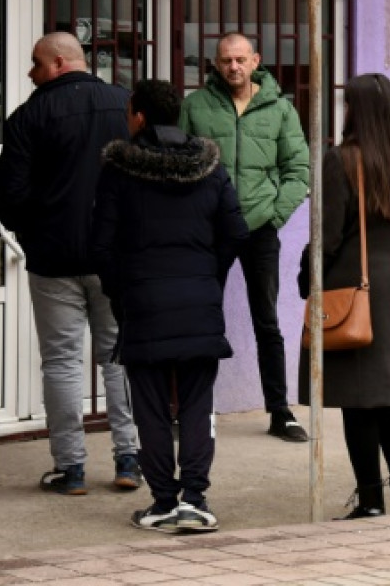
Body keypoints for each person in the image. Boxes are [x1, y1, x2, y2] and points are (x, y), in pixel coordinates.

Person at [92, 80, 249, 533]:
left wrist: (122, 292)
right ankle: (196, 499)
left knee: (151, 409)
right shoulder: (210, 166)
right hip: (200, 302)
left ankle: (163, 501)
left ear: (138, 116)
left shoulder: (120, 170)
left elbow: (101, 245)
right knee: (198, 404)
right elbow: (236, 233)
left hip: (143, 304)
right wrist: (208, 278)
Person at [0, 32, 141, 495]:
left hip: (54, 256)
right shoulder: (125, 106)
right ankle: (129, 459)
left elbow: (10, 195)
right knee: (119, 358)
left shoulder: (27, 117)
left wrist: (28, 233)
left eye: (36, 63)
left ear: (58, 63)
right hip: (114, 256)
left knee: (61, 362)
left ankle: (71, 468)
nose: (30, 72)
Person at [297, 73, 390, 518]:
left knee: (358, 399)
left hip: (355, 289)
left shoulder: (342, 161)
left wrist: (308, 277)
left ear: (355, 109)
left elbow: (327, 236)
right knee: (389, 395)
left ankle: (372, 498)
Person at [179, 32, 310, 442]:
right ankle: (197, 411)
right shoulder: (195, 106)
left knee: (267, 321)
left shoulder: (281, 109)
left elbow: (298, 169)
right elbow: (179, 165)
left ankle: (279, 411)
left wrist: (274, 214)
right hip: (209, 232)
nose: (233, 67)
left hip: (259, 228)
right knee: (201, 320)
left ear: (256, 60)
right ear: (215, 65)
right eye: (225, 61)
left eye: (240, 59)